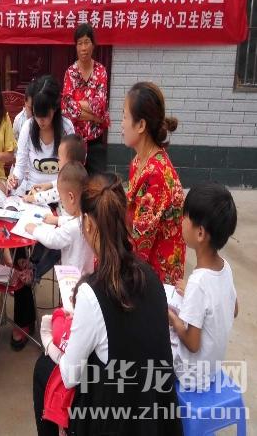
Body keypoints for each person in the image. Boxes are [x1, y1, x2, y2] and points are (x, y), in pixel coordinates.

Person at [33, 173, 182, 436]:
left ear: (89, 225)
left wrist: (48, 342)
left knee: (45, 369)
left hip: (115, 420)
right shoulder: (150, 275)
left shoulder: (93, 292)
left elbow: (70, 374)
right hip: (159, 416)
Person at [169, 182, 238, 391]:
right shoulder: (225, 267)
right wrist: (194, 295)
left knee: (151, 328)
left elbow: (192, 343)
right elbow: (234, 309)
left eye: (185, 217)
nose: (181, 221)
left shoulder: (198, 283)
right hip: (212, 367)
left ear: (200, 233)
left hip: (191, 375)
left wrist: (172, 318)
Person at [122, 81, 186, 285]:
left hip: (158, 277)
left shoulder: (155, 174)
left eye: (125, 117)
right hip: (145, 264)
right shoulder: (139, 161)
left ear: (141, 125)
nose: (121, 124)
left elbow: (140, 243)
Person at [25, 161, 93, 280]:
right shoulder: (87, 217)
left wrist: (34, 229)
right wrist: (57, 220)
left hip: (73, 279)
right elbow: (72, 220)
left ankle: (34, 272)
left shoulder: (72, 227)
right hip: (87, 275)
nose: (61, 203)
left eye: (61, 199)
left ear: (71, 197)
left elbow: (52, 239)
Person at [8, 75, 74, 195]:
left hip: (58, 192)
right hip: (33, 192)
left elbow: (71, 170)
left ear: (55, 108)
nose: (40, 121)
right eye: (37, 115)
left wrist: (51, 185)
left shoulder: (66, 128)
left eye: (45, 115)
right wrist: (15, 180)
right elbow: (20, 166)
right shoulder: (28, 127)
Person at [61, 24, 110, 174]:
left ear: (93, 45)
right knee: (75, 182)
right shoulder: (70, 72)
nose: (83, 48)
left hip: (95, 140)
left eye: (87, 42)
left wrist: (76, 104)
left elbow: (100, 105)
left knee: (97, 182)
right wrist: (95, 117)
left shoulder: (101, 71)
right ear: (76, 47)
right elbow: (66, 108)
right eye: (80, 43)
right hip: (74, 141)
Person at [24, 133, 86, 207]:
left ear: (69, 163)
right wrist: (49, 185)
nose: (58, 162)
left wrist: (31, 198)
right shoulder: (78, 176)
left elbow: (50, 195)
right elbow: (60, 183)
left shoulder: (68, 185)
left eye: (59, 159)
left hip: (65, 214)